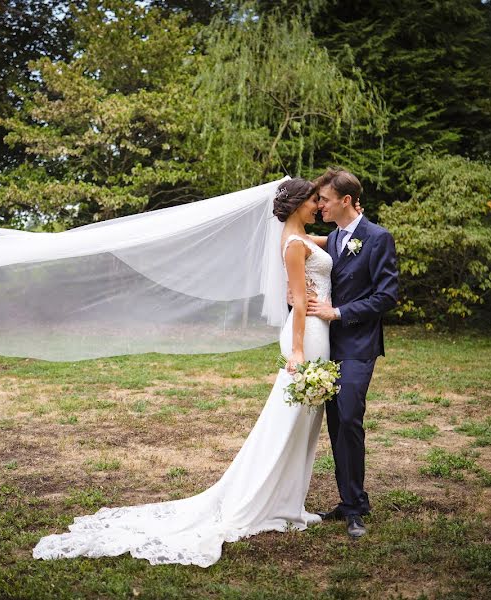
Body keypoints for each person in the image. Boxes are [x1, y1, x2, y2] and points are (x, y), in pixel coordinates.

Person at [31, 178, 337, 567]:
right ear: (297, 204)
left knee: (306, 422)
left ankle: (290, 502)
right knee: (290, 420)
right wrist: (296, 351)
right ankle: (267, 502)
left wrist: (356, 227)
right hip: (306, 336)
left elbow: (337, 247)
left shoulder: (306, 238)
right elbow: (296, 298)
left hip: (318, 332)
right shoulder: (294, 245)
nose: (318, 206)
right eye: (314, 200)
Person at [306, 168, 399, 539]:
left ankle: (356, 506)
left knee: (348, 417)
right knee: (335, 421)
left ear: (346, 201)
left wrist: (338, 312)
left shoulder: (378, 238)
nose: (320, 205)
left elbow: (386, 296)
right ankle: (348, 501)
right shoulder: (333, 238)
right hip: (328, 344)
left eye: (324, 200)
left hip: (359, 344)